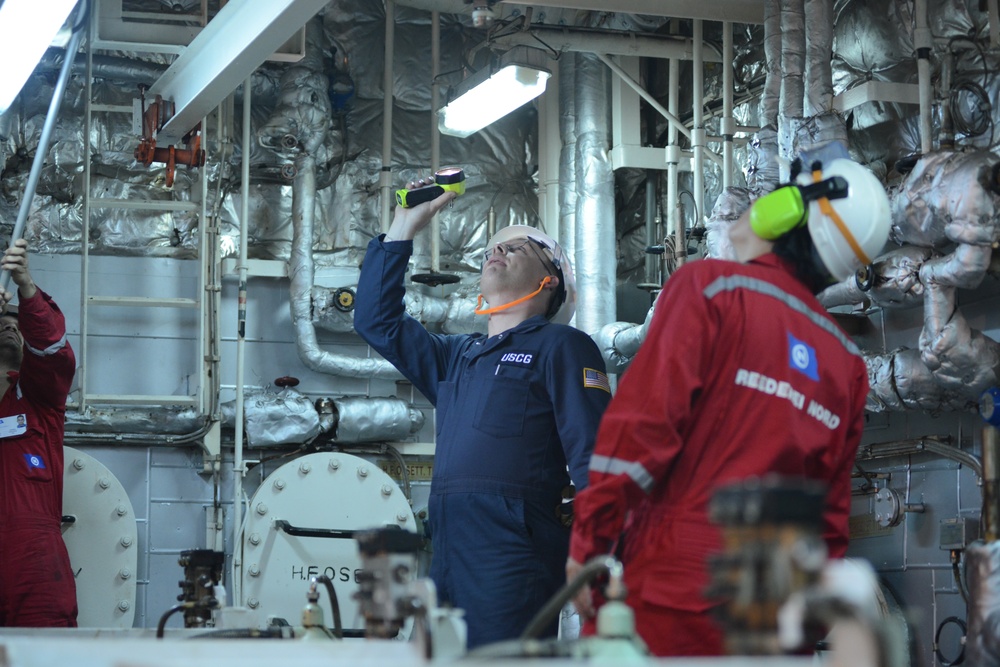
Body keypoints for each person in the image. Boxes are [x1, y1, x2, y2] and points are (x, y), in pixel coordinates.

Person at [567, 157, 892, 656]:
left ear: (786, 211)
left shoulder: (709, 288)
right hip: (771, 612)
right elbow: (829, 522)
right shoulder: (845, 363)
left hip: (670, 590)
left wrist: (589, 549)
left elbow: (637, 438)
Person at [354, 177, 612, 649]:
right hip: (448, 544)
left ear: (547, 280)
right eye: (495, 247)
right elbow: (376, 320)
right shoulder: (459, 355)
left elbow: (594, 454)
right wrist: (405, 223)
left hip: (515, 548)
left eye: (518, 248)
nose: (499, 251)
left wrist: (598, 553)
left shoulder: (562, 345)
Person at [0, 238, 78, 627]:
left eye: (18, 324)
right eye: (2, 323)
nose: (10, 329)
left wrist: (25, 286)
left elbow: (54, 353)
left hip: (34, 562)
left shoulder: (39, 401)